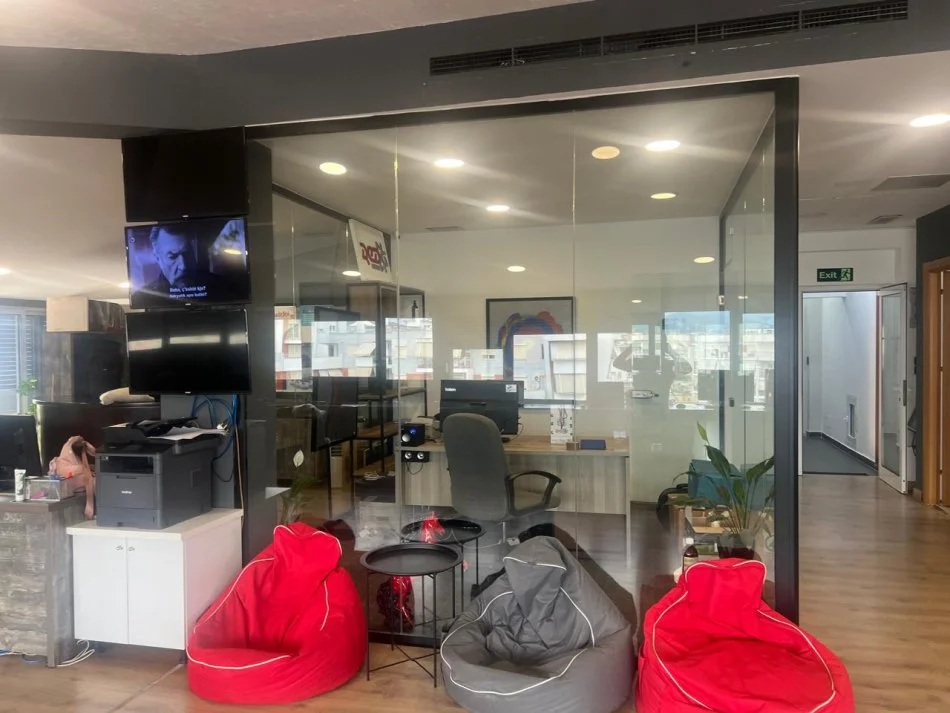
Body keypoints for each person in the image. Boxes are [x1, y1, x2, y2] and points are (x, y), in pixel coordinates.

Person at [132, 219, 245, 305]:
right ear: (158, 258)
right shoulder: (142, 299)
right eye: (172, 256)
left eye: (188, 253)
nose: (184, 266)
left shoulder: (227, 290)